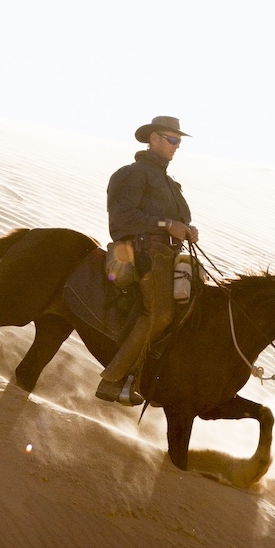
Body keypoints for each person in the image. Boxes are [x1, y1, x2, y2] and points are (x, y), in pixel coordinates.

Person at [96, 115, 199, 405]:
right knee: (160, 314)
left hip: (170, 255)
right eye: (173, 139)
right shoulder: (132, 174)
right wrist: (168, 225)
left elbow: (177, 221)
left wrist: (187, 231)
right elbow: (121, 219)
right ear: (154, 139)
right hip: (142, 253)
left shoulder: (170, 183)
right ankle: (111, 380)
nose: (177, 146)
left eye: (178, 141)